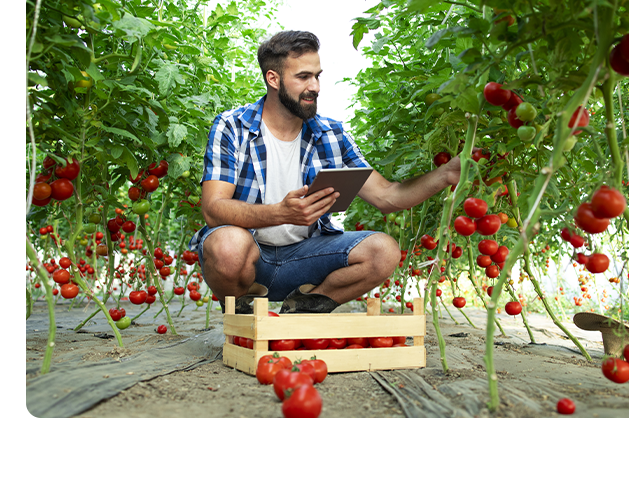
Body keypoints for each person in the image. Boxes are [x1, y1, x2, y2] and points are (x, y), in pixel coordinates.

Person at [187, 30, 461, 314]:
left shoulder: (331, 133)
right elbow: (213, 209)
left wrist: (446, 175)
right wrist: (281, 213)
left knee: (384, 251)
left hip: (306, 258)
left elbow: (388, 196)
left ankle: (301, 312)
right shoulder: (233, 126)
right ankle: (241, 317)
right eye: (303, 77)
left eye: (317, 76)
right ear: (273, 78)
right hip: (251, 259)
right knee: (227, 244)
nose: (315, 86)